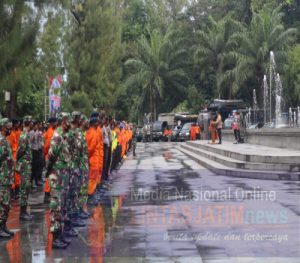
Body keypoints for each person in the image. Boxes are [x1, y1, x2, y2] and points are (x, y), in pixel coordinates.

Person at [46, 112, 73, 249]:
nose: (70, 124)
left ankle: (60, 235)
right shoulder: (57, 137)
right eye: (68, 121)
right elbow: (51, 157)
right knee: (56, 208)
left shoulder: (63, 136)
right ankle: (55, 239)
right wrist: (49, 172)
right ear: (63, 121)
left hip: (63, 178)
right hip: (57, 178)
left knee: (61, 207)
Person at [16, 116, 33, 221]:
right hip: (24, 165)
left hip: (27, 165)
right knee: (24, 189)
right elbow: (20, 151)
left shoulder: (26, 135)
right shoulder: (24, 136)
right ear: (28, 123)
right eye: (31, 123)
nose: (32, 124)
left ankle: (24, 211)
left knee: (26, 188)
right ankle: (22, 213)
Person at [0, 118, 15, 239]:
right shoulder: (1, 141)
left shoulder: (5, 140)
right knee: (3, 204)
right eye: (7, 127)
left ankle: (3, 226)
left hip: (7, 177)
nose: (10, 129)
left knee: (7, 204)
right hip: (2, 178)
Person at [86, 117, 101, 206]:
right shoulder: (94, 133)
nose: (98, 124)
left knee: (92, 178)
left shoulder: (88, 132)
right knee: (92, 179)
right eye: (97, 123)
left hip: (91, 158)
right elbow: (91, 148)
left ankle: (91, 194)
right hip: (93, 159)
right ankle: (90, 196)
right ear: (93, 124)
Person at [43, 117, 57, 204]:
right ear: (52, 123)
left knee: (52, 175)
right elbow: (46, 146)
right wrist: (46, 154)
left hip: (51, 156)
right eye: (55, 122)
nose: (57, 123)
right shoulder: (50, 131)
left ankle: (49, 193)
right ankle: (47, 194)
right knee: (49, 175)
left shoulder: (51, 130)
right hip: (50, 156)